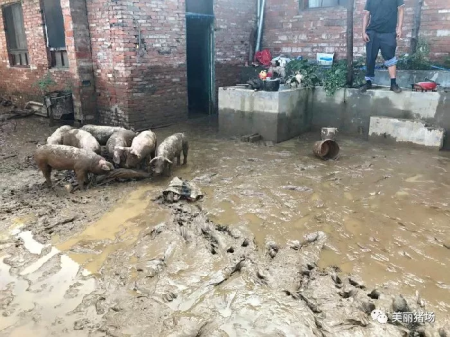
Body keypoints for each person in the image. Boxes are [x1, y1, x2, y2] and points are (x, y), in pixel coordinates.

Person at [360, 0, 405, 93]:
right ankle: (368, 82)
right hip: (372, 32)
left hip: (389, 32)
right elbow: (366, 14)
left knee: (390, 58)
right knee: (370, 58)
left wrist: (399, 28)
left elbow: (401, 10)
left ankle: (393, 84)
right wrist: (363, 32)